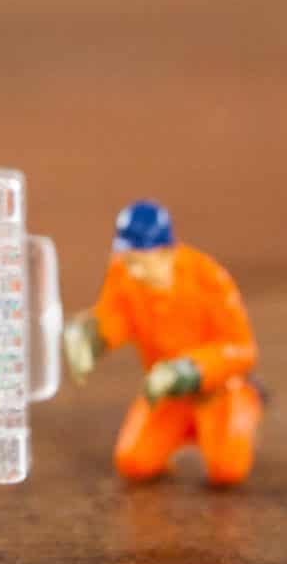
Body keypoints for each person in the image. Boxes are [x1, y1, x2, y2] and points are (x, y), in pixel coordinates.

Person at [63, 202, 263, 486]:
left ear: (166, 253)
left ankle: (248, 404)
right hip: (164, 391)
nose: (133, 272)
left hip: (216, 391)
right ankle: (177, 431)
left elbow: (243, 349)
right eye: (128, 260)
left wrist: (187, 371)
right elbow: (117, 316)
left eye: (140, 263)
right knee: (134, 462)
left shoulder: (209, 280)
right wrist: (91, 337)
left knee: (227, 471)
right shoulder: (124, 272)